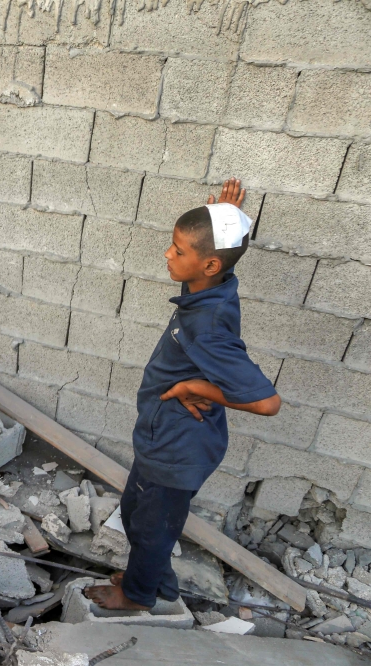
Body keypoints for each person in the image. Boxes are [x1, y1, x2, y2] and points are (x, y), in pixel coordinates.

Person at [85, 179, 282, 611]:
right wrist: (226, 217)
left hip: (178, 447)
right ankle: (153, 578)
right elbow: (223, 250)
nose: (167, 254)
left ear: (209, 265)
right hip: (162, 435)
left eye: (179, 250)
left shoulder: (207, 326)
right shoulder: (215, 286)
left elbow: (268, 402)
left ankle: (137, 596)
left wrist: (199, 386)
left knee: (152, 529)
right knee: (140, 518)